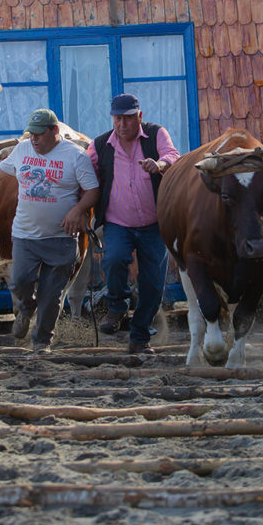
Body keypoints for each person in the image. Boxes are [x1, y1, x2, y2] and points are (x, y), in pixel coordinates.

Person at [0, 108, 99, 351]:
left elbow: (92, 191)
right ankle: (26, 307)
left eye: (39, 134)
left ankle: (42, 342)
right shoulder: (22, 150)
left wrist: (78, 210)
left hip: (61, 238)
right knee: (19, 282)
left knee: (51, 296)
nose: (33, 138)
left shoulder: (76, 156)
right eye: (31, 133)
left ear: (54, 131)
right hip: (25, 235)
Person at [87, 92, 181, 354]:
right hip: (119, 222)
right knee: (114, 258)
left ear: (139, 116)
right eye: (117, 119)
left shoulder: (156, 134)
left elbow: (173, 155)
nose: (122, 124)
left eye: (128, 118)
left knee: (153, 283)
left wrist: (160, 164)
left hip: (154, 223)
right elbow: (85, 170)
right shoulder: (100, 144)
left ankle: (140, 336)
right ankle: (117, 306)